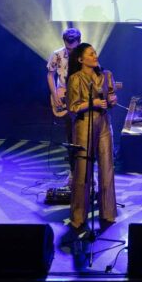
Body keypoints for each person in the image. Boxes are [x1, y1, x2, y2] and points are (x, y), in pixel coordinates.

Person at [65, 43, 117, 232]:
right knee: (83, 170)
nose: (95, 56)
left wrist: (112, 100)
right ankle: (79, 216)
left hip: (103, 122)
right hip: (84, 124)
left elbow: (110, 97)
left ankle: (108, 212)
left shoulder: (106, 75)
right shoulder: (75, 78)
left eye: (95, 53)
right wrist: (92, 103)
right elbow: (72, 107)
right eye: (90, 54)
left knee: (107, 167)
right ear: (80, 59)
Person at [47, 28, 81, 185]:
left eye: (73, 48)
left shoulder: (86, 56)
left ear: (79, 42)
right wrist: (55, 95)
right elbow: (50, 75)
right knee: (70, 137)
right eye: (68, 48)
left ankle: (88, 173)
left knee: (85, 137)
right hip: (64, 98)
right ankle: (73, 172)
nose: (70, 51)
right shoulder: (57, 55)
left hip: (81, 101)